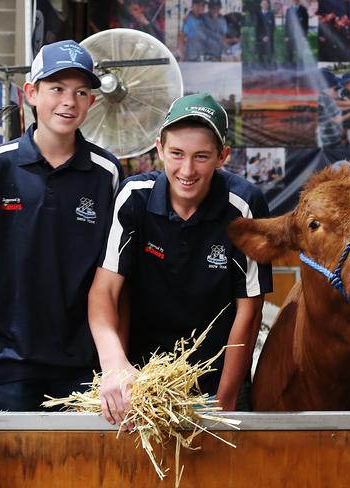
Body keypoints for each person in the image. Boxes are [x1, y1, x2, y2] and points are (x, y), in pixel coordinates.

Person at [0, 40, 123, 411]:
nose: (69, 101)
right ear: (31, 93)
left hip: (82, 363)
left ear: (92, 102)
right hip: (10, 361)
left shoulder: (105, 173)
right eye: (56, 89)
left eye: (80, 92)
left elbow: (114, 274)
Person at [88, 93, 273, 424]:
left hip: (219, 377)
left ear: (222, 156)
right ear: (159, 149)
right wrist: (115, 364)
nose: (187, 170)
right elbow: (104, 291)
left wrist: (224, 404)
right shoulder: (133, 197)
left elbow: (250, 309)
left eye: (201, 156)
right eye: (176, 154)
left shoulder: (244, 204)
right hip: (144, 380)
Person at [284, 0, 309, 66]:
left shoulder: (303, 10)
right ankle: (289, 67)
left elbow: (306, 24)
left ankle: (300, 67)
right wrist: (286, 36)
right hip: (290, 35)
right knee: (290, 52)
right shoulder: (289, 10)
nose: (295, 1)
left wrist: (305, 36)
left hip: (300, 35)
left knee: (300, 52)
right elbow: (286, 24)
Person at [255, 0, 276, 67]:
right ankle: (261, 70)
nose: (265, 5)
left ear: (268, 5)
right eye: (263, 4)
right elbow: (256, 28)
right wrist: (262, 37)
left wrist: (268, 36)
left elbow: (273, 27)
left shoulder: (271, 14)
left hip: (269, 38)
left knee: (269, 56)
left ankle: (268, 71)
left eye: (266, 4)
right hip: (260, 39)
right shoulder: (257, 14)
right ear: (261, 5)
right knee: (260, 56)